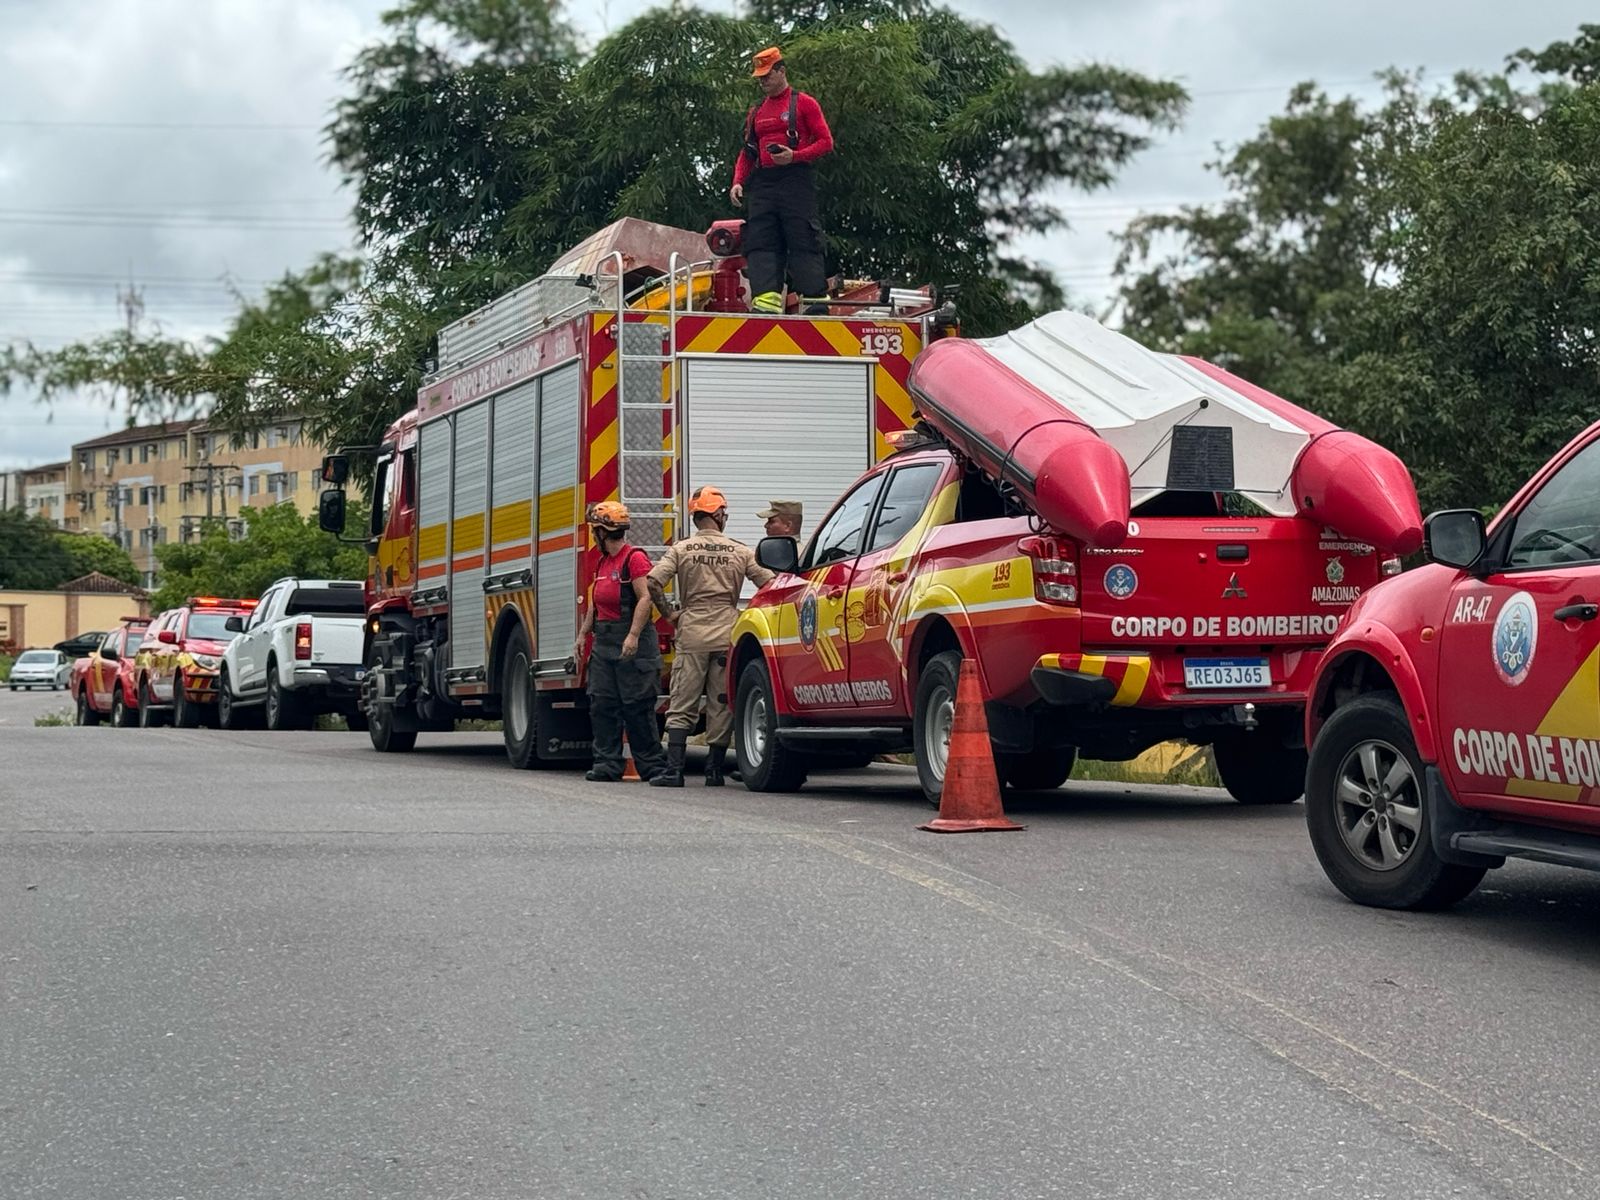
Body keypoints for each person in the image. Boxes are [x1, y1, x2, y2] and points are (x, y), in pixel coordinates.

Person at [646, 486, 775, 787]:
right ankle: (714, 771)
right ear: (717, 515)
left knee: (683, 699)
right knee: (721, 701)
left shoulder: (681, 549)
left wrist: (669, 615)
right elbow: (768, 582)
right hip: (726, 632)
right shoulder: (739, 550)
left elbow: (653, 581)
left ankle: (674, 771)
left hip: (692, 631)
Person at [729, 46, 834, 315]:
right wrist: (738, 181)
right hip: (764, 182)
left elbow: (826, 142)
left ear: (781, 71)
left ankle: (813, 301)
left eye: (767, 75)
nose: (763, 81)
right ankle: (766, 301)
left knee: (802, 236)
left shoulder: (804, 103)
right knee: (761, 239)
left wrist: (795, 156)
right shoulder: (757, 112)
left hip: (795, 179)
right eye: (759, 78)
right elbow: (748, 152)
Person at [573, 502, 668, 783]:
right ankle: (607, 764)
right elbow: (595, 604)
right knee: (602, 704)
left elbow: (645, 598)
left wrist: (633, 636)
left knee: (637, 706)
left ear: (604, 532)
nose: (593, 536)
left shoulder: (634, 559)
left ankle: (652, 766)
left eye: (595, 531)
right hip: (604, 642)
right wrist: (583, 635)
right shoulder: (603, 562)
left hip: (631, 641)